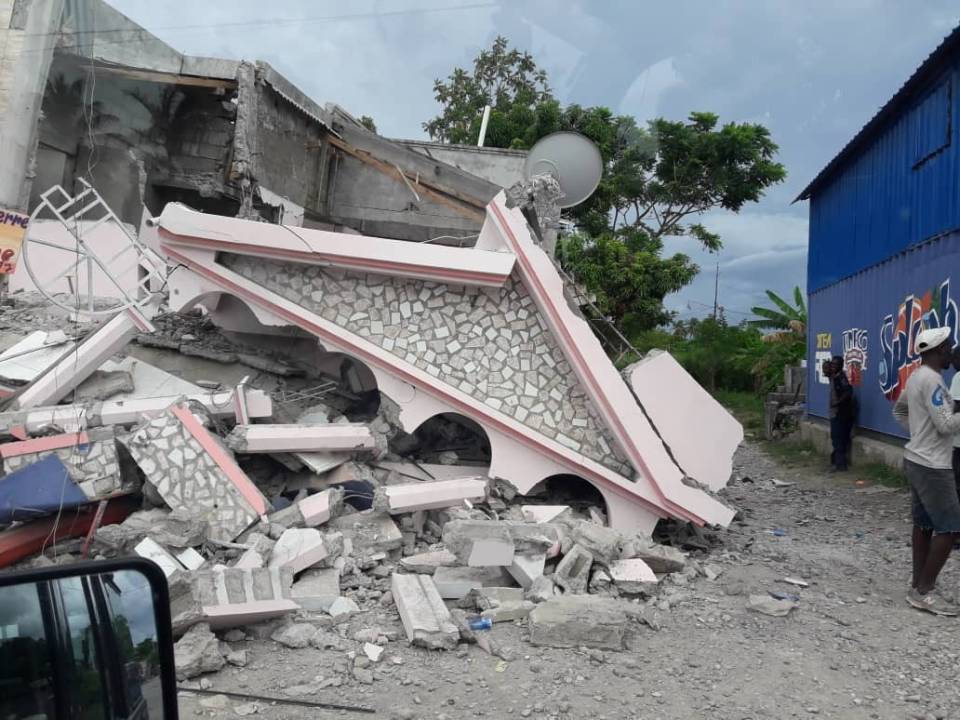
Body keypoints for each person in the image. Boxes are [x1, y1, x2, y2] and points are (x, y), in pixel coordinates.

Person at [892, 326, 960, 615]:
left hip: (917, 459)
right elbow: (946, 425)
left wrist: (918, 434)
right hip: (933, 465)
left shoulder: (917, 376)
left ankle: (917, 583)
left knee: (923, 524)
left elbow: (899, 411)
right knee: (951, 527)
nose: (951, 352)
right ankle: (924, 591)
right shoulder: (933, 381)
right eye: (948, 347)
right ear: (938, 350)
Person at [828, 356, 855, 471]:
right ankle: (836, 461)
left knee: (838, 438)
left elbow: (848, 391)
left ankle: (840, 465)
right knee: (837, 438)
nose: (833, 366)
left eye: (836, 364)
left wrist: (838, 403)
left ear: (841, 365)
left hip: (840, 413)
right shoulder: (834, 377)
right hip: (836, 413)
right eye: (832, 364)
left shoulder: (841, 378)